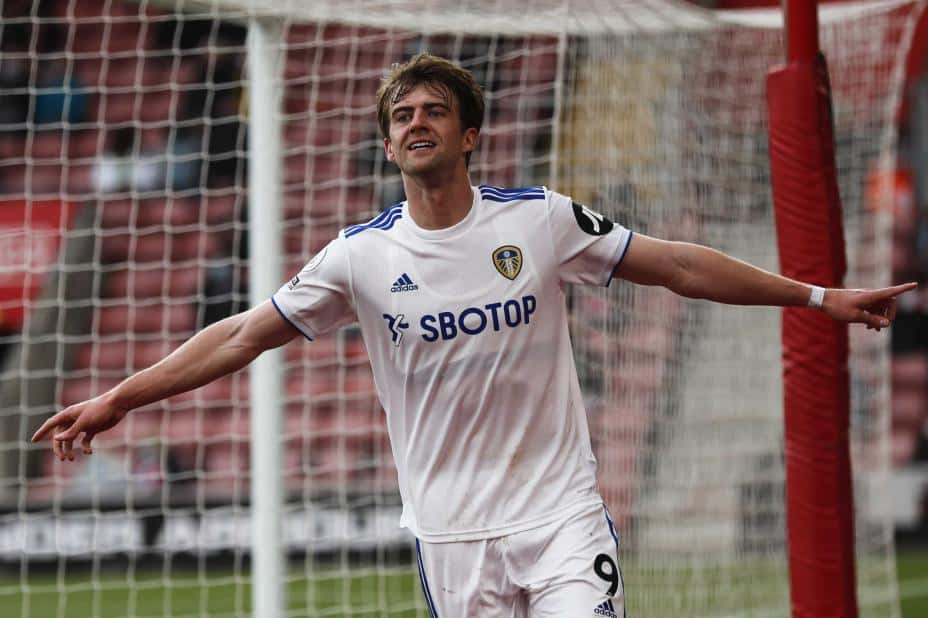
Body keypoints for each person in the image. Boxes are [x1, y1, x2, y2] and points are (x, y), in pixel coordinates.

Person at [33, 53, 915, 617]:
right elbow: (240, 336)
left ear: (469, 134)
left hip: (560, 514)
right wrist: (119, 397)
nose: (415, 123)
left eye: (432, 111)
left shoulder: (540, 220)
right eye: (401, 117)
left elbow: (677, 264)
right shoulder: (359, 257)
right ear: (388, 147)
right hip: (451, 536)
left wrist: (815, 297)